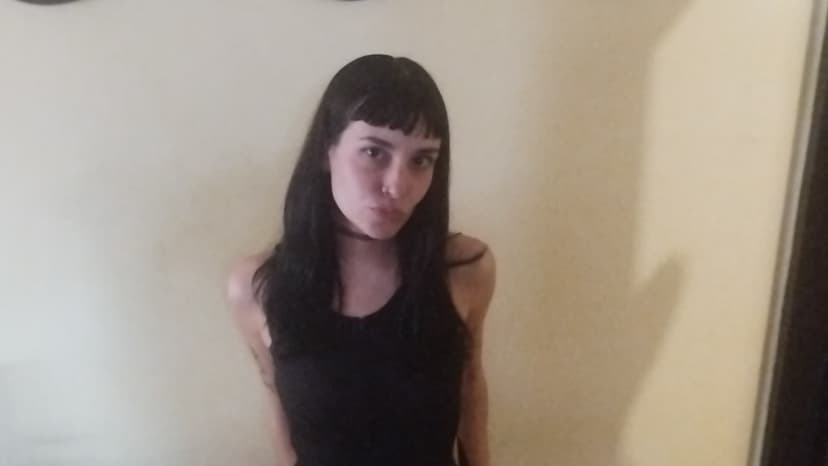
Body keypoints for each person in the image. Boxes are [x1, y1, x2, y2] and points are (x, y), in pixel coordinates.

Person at [225, 54, 496, 466]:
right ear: (326, 151)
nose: (397, 186)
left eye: (421, 160)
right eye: (373, 152)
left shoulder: (464, 270)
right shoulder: (257, 287)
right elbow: (276, 397)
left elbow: (470, 383)